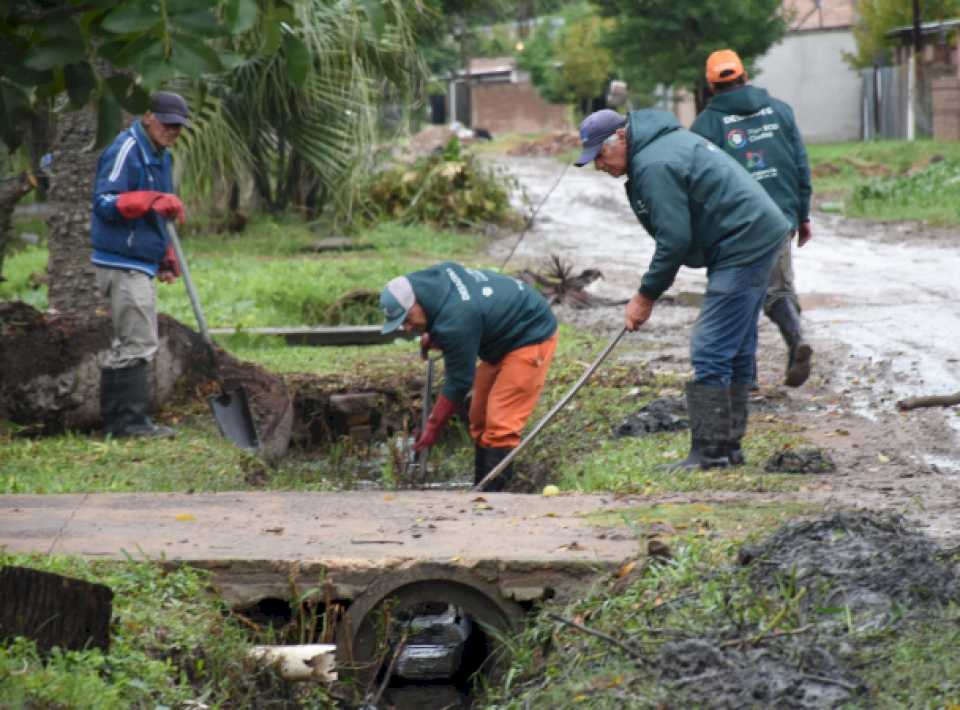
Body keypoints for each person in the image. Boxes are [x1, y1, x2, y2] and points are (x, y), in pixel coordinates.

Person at [575, 108, 790, 469]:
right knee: (733, 348)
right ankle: (728, 449)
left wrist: (645, 296)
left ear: (621, 138)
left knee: (710, 347)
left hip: (744, 242)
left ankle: (709, 453)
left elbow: (674, 240)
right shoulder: (659, 147)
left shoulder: (653, 164)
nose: (599, 165)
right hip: (755, 236)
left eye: (600, 154)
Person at [690, 49, 813, 389]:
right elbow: (800, 164)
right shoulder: (780, 111)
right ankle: (792, 341)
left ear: (711, 87)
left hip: (735, 226)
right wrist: (802, 214)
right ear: (745, 76)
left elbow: (698, 181)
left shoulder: (706, 125)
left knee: (742, 295)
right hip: (781, 215)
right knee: (778, 284)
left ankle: (750, 375)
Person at [379, 262, 558, 490]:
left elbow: (460, 381)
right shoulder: (429, 283)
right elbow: (446, 316)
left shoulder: (456, 320)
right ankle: (479, 491)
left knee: (501, 424)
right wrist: (432, 332)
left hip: (530, 334)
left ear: (415, 303)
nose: (405, 327)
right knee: (479, 417)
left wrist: (433, 428)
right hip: (499, 339)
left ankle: (494, 500)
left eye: (406, 319)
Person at [90, 91, 190, 438]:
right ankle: (127, 424)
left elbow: (156, 215)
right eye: (166, 123)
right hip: (120, 262)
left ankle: (127, 422)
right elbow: (105, 202)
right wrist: (151, 199)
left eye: (178, 126)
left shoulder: (161, 156)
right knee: (137, 341)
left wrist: (163, 254)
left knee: (135, 339)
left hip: (138, 261)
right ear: (148, 116)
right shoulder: (128, 148)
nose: (172, 131)